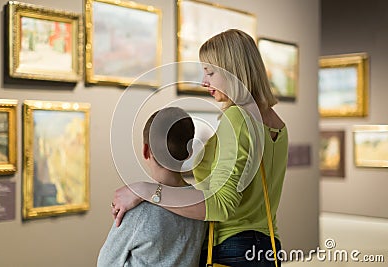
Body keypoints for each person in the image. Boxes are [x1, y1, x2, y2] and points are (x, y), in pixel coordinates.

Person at [111, 29, 288, 267]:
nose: (204, 82)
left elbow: (222, 205)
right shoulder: (277, 124)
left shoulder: (237, 118)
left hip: (232, 249)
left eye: (210, 73)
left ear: (233, 72)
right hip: (267, 246)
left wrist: (145, 190)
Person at [98, 107, 206, 267]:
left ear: (146, 150)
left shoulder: (138, 210)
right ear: (189, 152)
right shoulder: (200, 206)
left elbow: (105, 263)